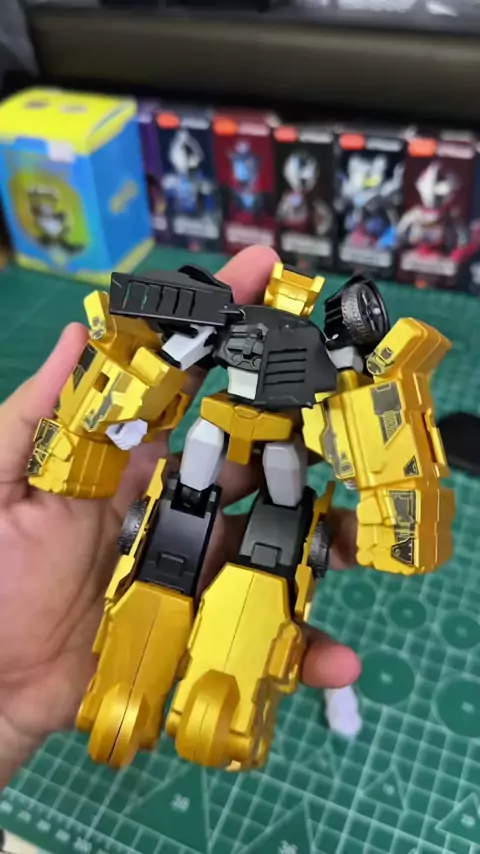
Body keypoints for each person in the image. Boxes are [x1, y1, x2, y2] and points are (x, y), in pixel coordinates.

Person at [0, 245, 361, 790]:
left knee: (282, 473)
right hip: (221, 420)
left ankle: (279, 516)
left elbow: (351, 391)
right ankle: (197, 503)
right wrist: (130, 410)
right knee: (201, 454)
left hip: (279, 429)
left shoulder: (311, 345)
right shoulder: (235, 322)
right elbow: (175, 356)